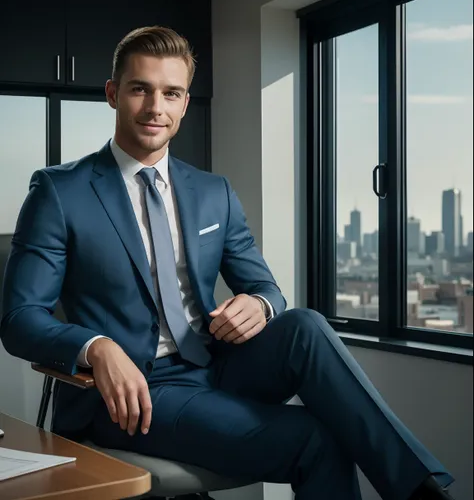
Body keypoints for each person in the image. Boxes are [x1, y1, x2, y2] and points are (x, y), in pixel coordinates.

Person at [1, 26, 456, 500]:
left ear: (184, 102)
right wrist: (96, 347)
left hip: (216, 366)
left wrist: (259, 305)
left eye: (171, 93)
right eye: (141, 89)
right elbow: (19, 320)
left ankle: (420, 491)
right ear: (114, 94)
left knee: (305, 325)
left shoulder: (212, 192)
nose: (156, 107)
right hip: (136, 391)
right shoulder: (59, 191)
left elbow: (268, 288)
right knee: (317, 438)